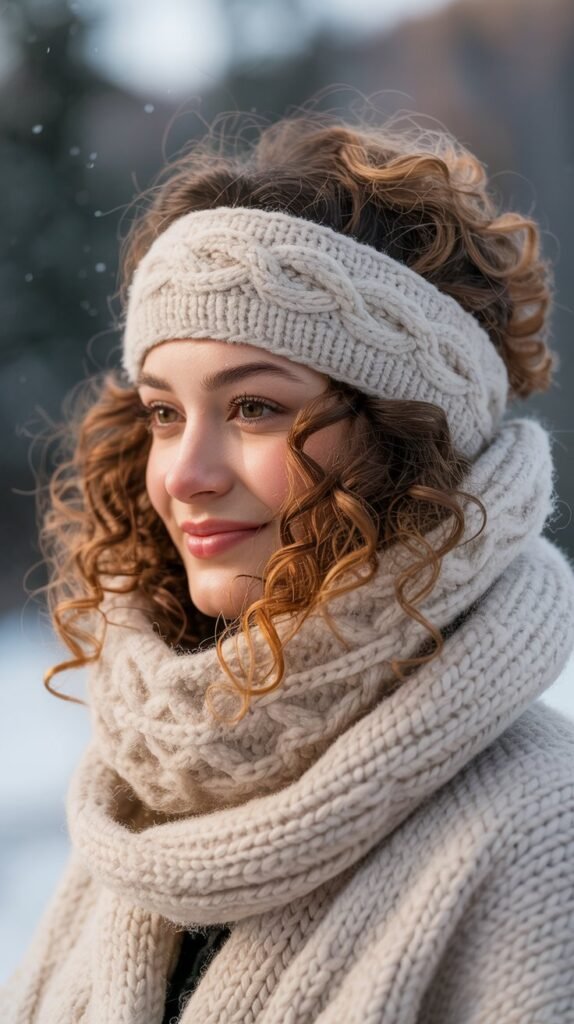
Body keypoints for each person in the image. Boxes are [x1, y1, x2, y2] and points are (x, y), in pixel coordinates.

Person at [2, 107, 574, 1024]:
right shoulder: (143, 801)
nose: (185, 475)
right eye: (162, 414)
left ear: (405, 444)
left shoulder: (544, 834)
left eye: (256, 408)